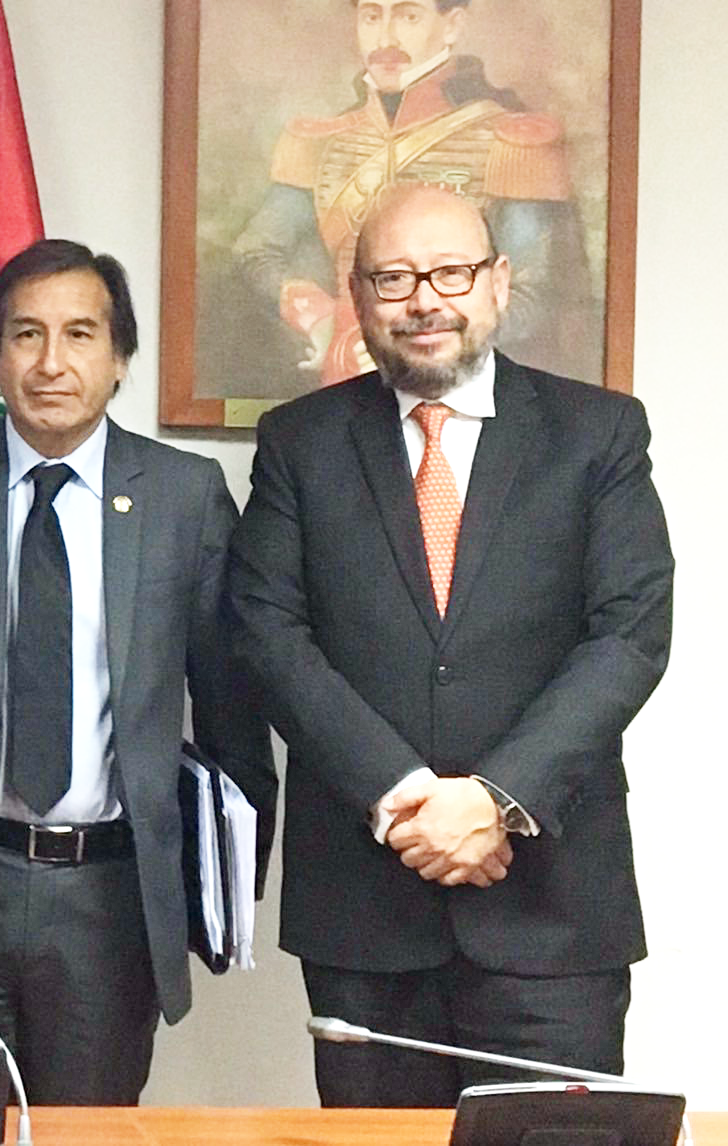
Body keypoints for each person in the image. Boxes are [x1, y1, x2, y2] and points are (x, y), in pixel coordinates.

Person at [228, 184, 673, 1106]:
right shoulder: (299, 443)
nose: (424, 298)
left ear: (499, 283)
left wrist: (497, 800)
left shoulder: (599, 434)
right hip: (366, 913)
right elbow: (266, 633)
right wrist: (405, 797)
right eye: (393, 277)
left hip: (552, 913)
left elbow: (629, 634)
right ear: (357, 298)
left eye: (451, 271)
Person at [0, 238, 276, 1104]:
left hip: (109, 896)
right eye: (25, 335)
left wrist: (220, 886)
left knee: (89, 1131)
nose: (51, 362)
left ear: (118, 359)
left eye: (79, 335)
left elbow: (233, 710)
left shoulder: (185, 499)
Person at [231, 0, 597, 387]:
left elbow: (537, 290)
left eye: (408, 15)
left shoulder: (515, 143)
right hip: (343, 384)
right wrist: (321, 317)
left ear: (452, 25)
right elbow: (256, 251)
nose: (386, 37)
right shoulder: (317, 143)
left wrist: (420, 342)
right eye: (372, 16)